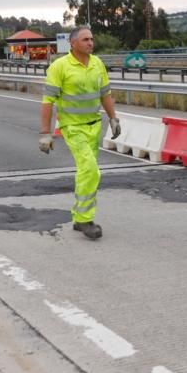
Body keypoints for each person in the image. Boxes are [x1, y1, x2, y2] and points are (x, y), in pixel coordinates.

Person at [38, 27, 121, 240]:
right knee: (91, 170)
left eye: (92, 39)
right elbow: (48, 101)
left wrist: (113, 118)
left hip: (94, 125)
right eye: (85, 39)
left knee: (86, 173)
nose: (90, 43)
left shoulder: (97, 63)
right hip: (72, 127)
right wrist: (45, 133)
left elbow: (105, 93)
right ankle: (85, 219)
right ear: (72, 43)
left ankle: (78, 217)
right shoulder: (60, 67)